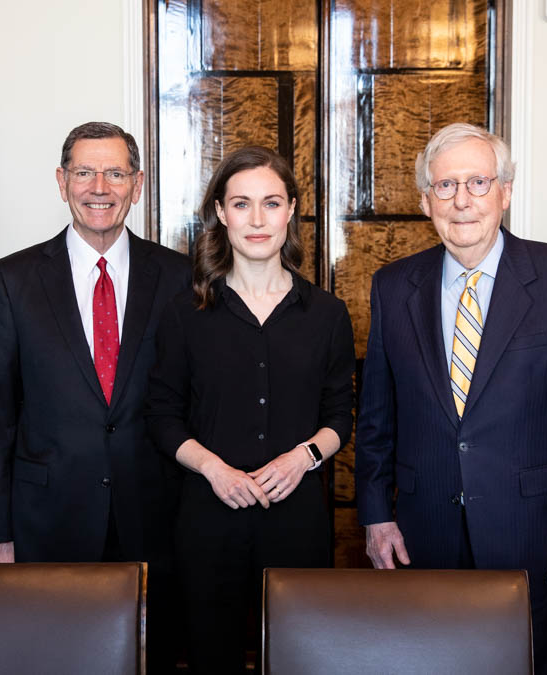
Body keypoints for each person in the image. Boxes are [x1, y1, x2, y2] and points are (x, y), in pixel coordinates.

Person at [355, 122, 547, 675]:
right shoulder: (392, 285)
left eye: (478, 183)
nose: (462, 201)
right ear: (426, 201)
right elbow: (378, 418)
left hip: (538, 535)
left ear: (505, 191)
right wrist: (377, 516)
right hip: (424, 535)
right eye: (446, 186)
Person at [0, 122, 189, 671]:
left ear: (137, 185)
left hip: (154, 520)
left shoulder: (179, 278)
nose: (100, 186)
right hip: (47, 522)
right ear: (61, 180)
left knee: (152, 661)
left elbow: (192, 404)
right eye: (84, 172)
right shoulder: (13, 279)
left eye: (116, 173)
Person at [146, 145, 355, 674]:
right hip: (208, 520)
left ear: (291, 211)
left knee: (296, 658)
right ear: (220, 212)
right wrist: (214, 469)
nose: (257, 220)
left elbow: (340, 417)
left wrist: (302, 458)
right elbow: (163, 414)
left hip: (298, 520)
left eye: (271, 203)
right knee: (211, 657)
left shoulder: (327, 314)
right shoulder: (185, 312)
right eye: (241, 204)